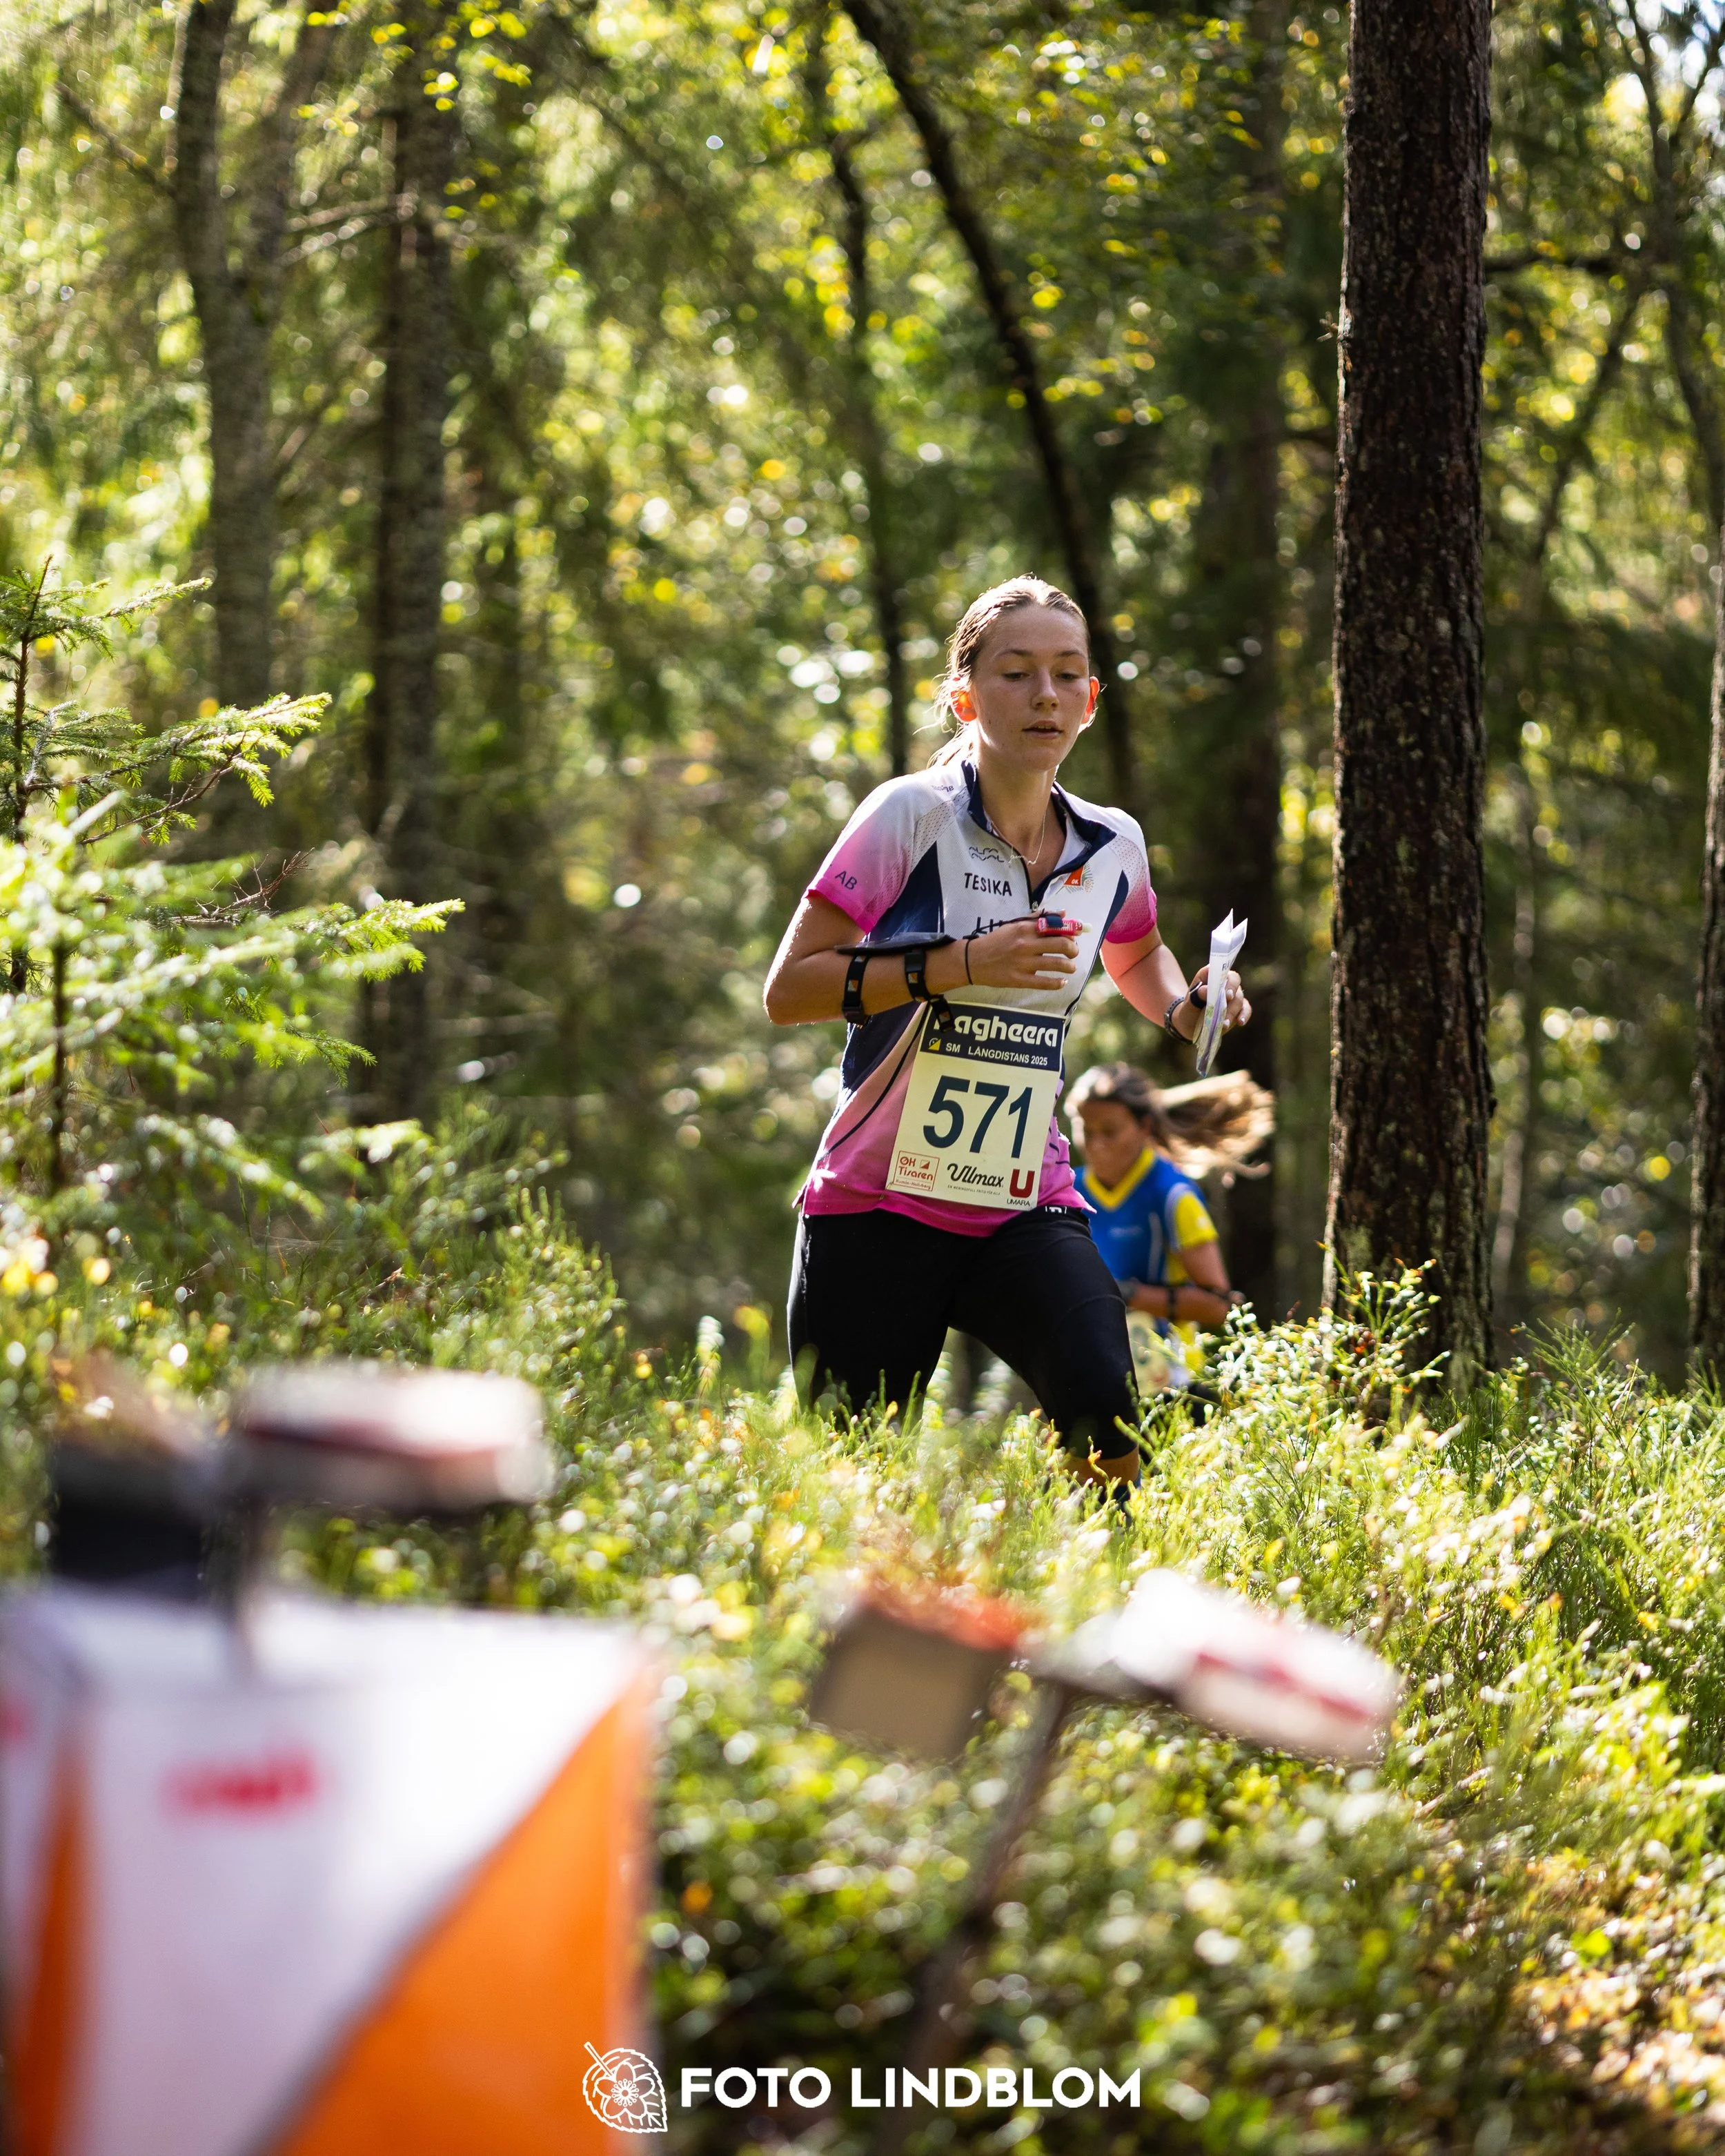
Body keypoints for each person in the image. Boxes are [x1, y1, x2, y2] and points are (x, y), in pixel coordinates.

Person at [762, 574, 1251, 1494]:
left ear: (1092, 700)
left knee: (1105, 1406)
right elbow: (788, 990)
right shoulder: (909, 817)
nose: (1045, 696)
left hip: (1021, 1197)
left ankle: (1091, 1615)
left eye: (1068, 675)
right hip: (875, 1204)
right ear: (964, 696)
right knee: (855, 1485)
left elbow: (1134, 951)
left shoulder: (1113, 845)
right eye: (1016, 672)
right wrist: (955, 965)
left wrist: (1192, 1009)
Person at [1067, 1063, 1272, 1398]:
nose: (1095, 1144)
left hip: (1171, 1387)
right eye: (1086, 1131)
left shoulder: (1173, 1196)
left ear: (1144, 1126)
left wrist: (1125, 1295)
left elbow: (1218, 1306)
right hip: (1088, 1380)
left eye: (1109, 1131)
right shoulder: (1067, 1192)